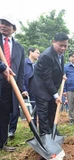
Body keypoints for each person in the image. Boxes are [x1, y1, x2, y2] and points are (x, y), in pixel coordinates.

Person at [31, 32, 69, 135]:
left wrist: (62, 75)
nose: (63, 48)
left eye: (65, 46)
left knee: (52, 109)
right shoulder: (46, 56)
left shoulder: (60, 54)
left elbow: (56, 69)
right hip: (41, 88)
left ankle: (53, 131)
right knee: (43, 112)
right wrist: (56, 95)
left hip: (51, 87)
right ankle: (45, 135)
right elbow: (47, 78)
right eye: (61, 45)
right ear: (53, 42)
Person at [0, 15, 25, 151]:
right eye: (1, 23)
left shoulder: (19, 48)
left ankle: (1, 143)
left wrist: (19, 89)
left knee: (4, 114)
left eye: (7, 24)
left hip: (9, 84)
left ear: (14, 29)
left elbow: (21, 71)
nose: (3, 26)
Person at [21, 47, 40, 127]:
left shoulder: (36, 66)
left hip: (35, 90)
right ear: (31, 52)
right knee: (27, 110)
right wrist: (23, 89)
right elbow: (21, 77)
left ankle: (35, 127)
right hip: (26, 90)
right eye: (37, 52)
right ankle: (11, 129)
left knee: (36, 109)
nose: (38, 55)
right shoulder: (24, 63)